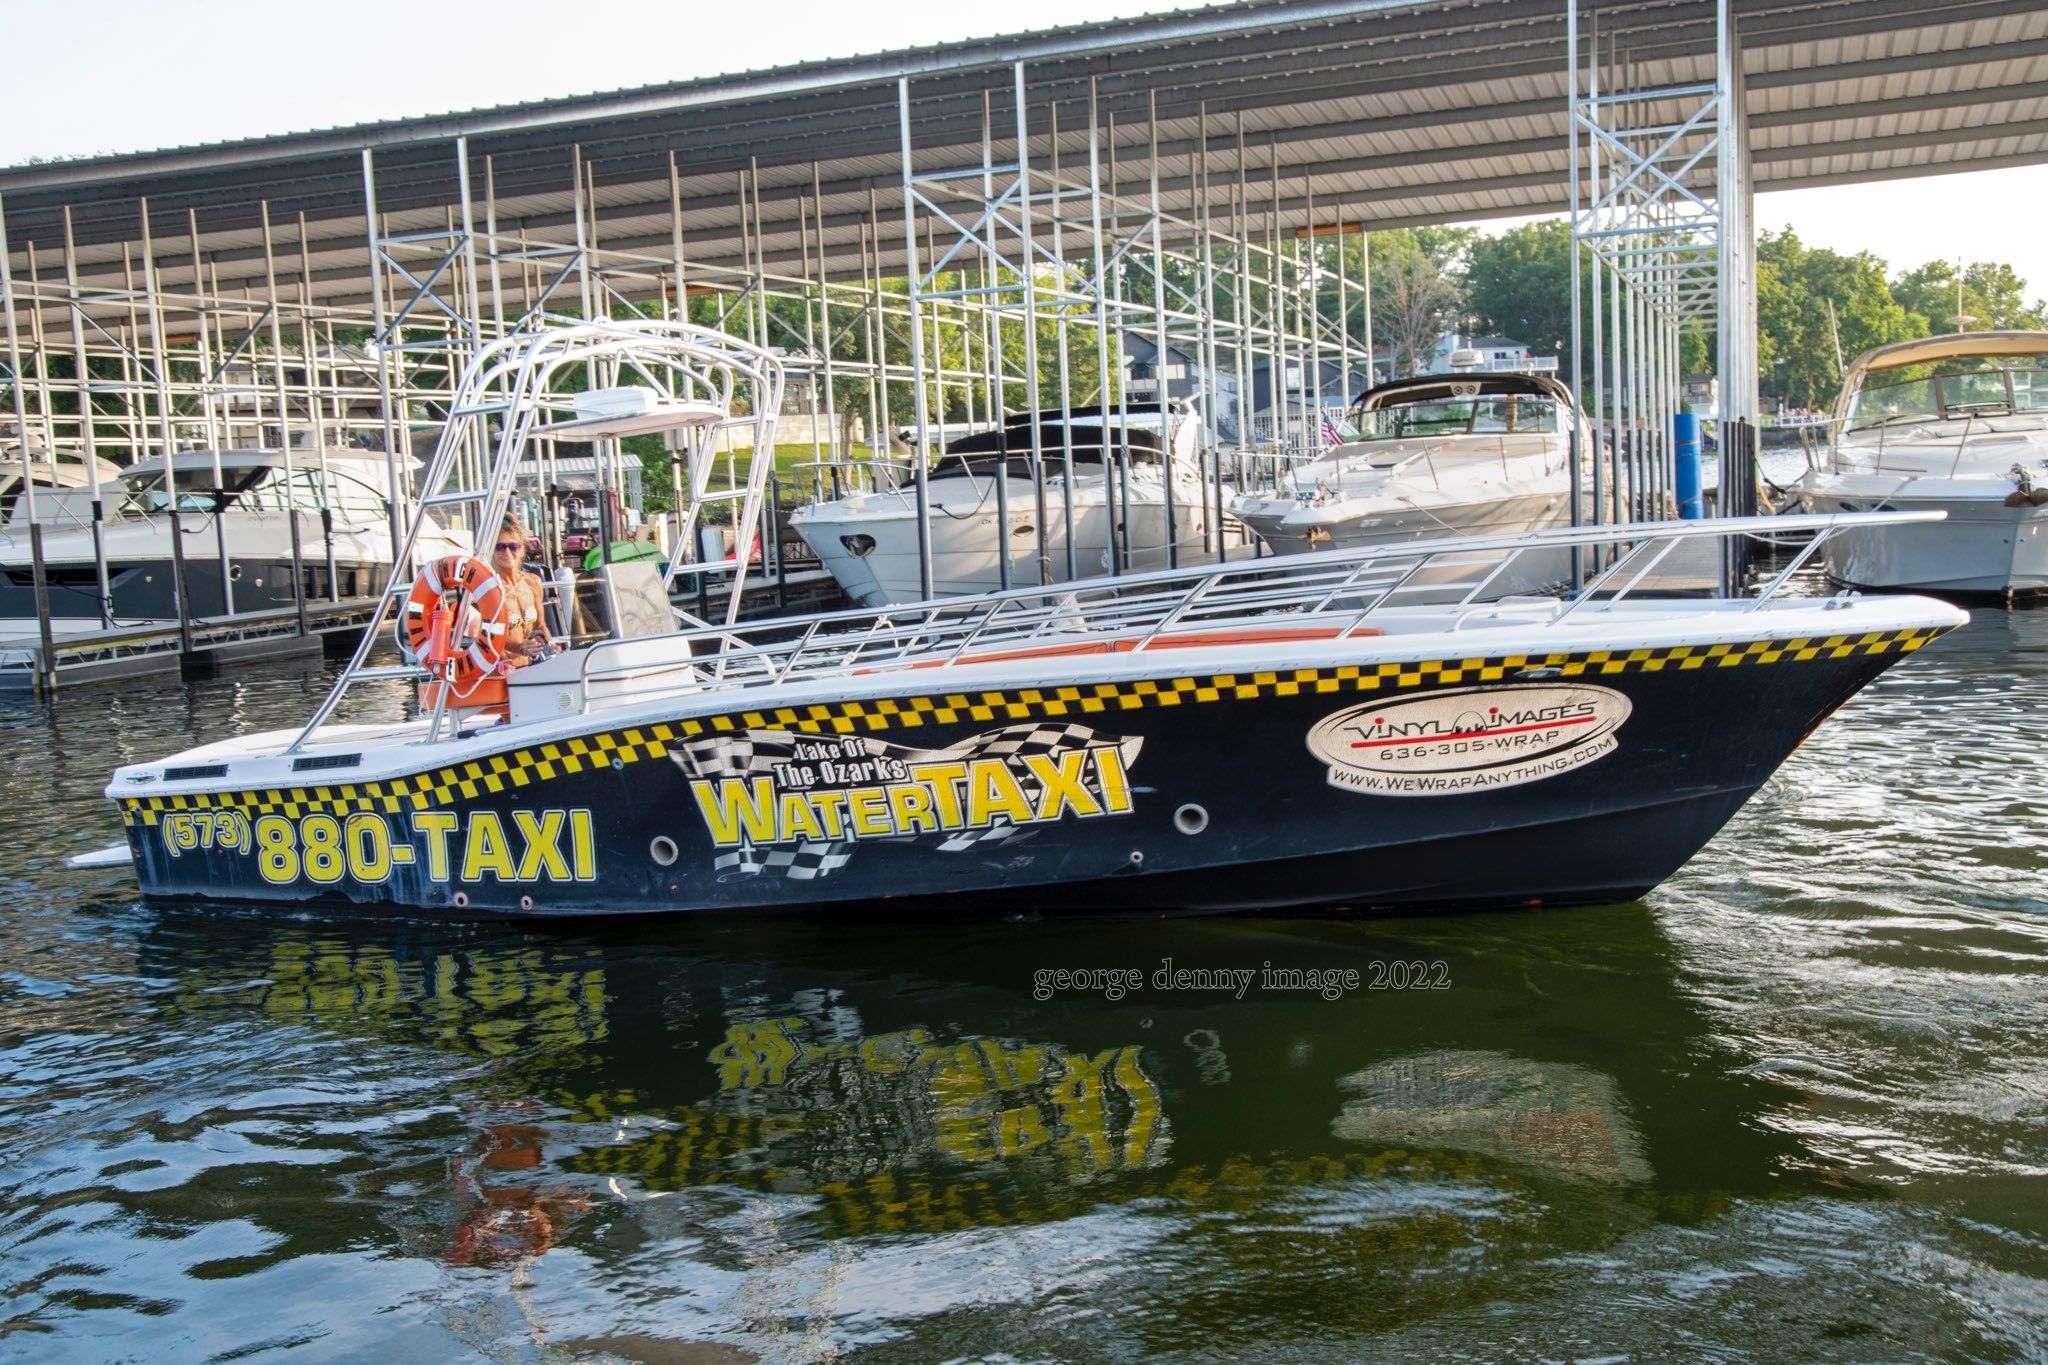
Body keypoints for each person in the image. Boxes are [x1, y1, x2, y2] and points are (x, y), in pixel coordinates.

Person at [491, 515, 553, 672]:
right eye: (500, 547)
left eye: (513, 547)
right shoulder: (489, 589)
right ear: (492, 551)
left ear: (521, 549)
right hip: (504, 670)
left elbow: (540, 625)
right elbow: (486, 635)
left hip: (533, 667)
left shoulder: (533, 582)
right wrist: (520, 648)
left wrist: (549, 646)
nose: (507, 552)